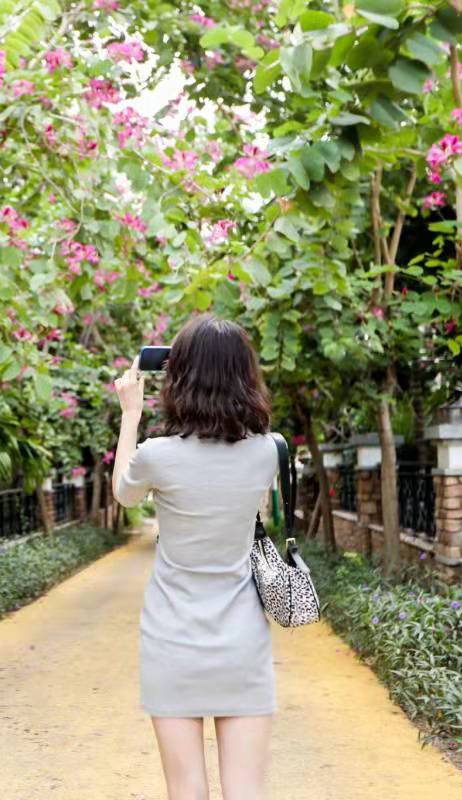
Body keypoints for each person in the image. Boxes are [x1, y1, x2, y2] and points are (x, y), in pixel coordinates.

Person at [111, 313, 277, 800]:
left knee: (185, 790)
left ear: (178, 375)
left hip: (172, 639)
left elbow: (124, 493)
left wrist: (130, 417)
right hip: (242, 640)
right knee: (246, 791)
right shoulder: (268, 451)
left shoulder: (158, 455)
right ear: (246, 377)